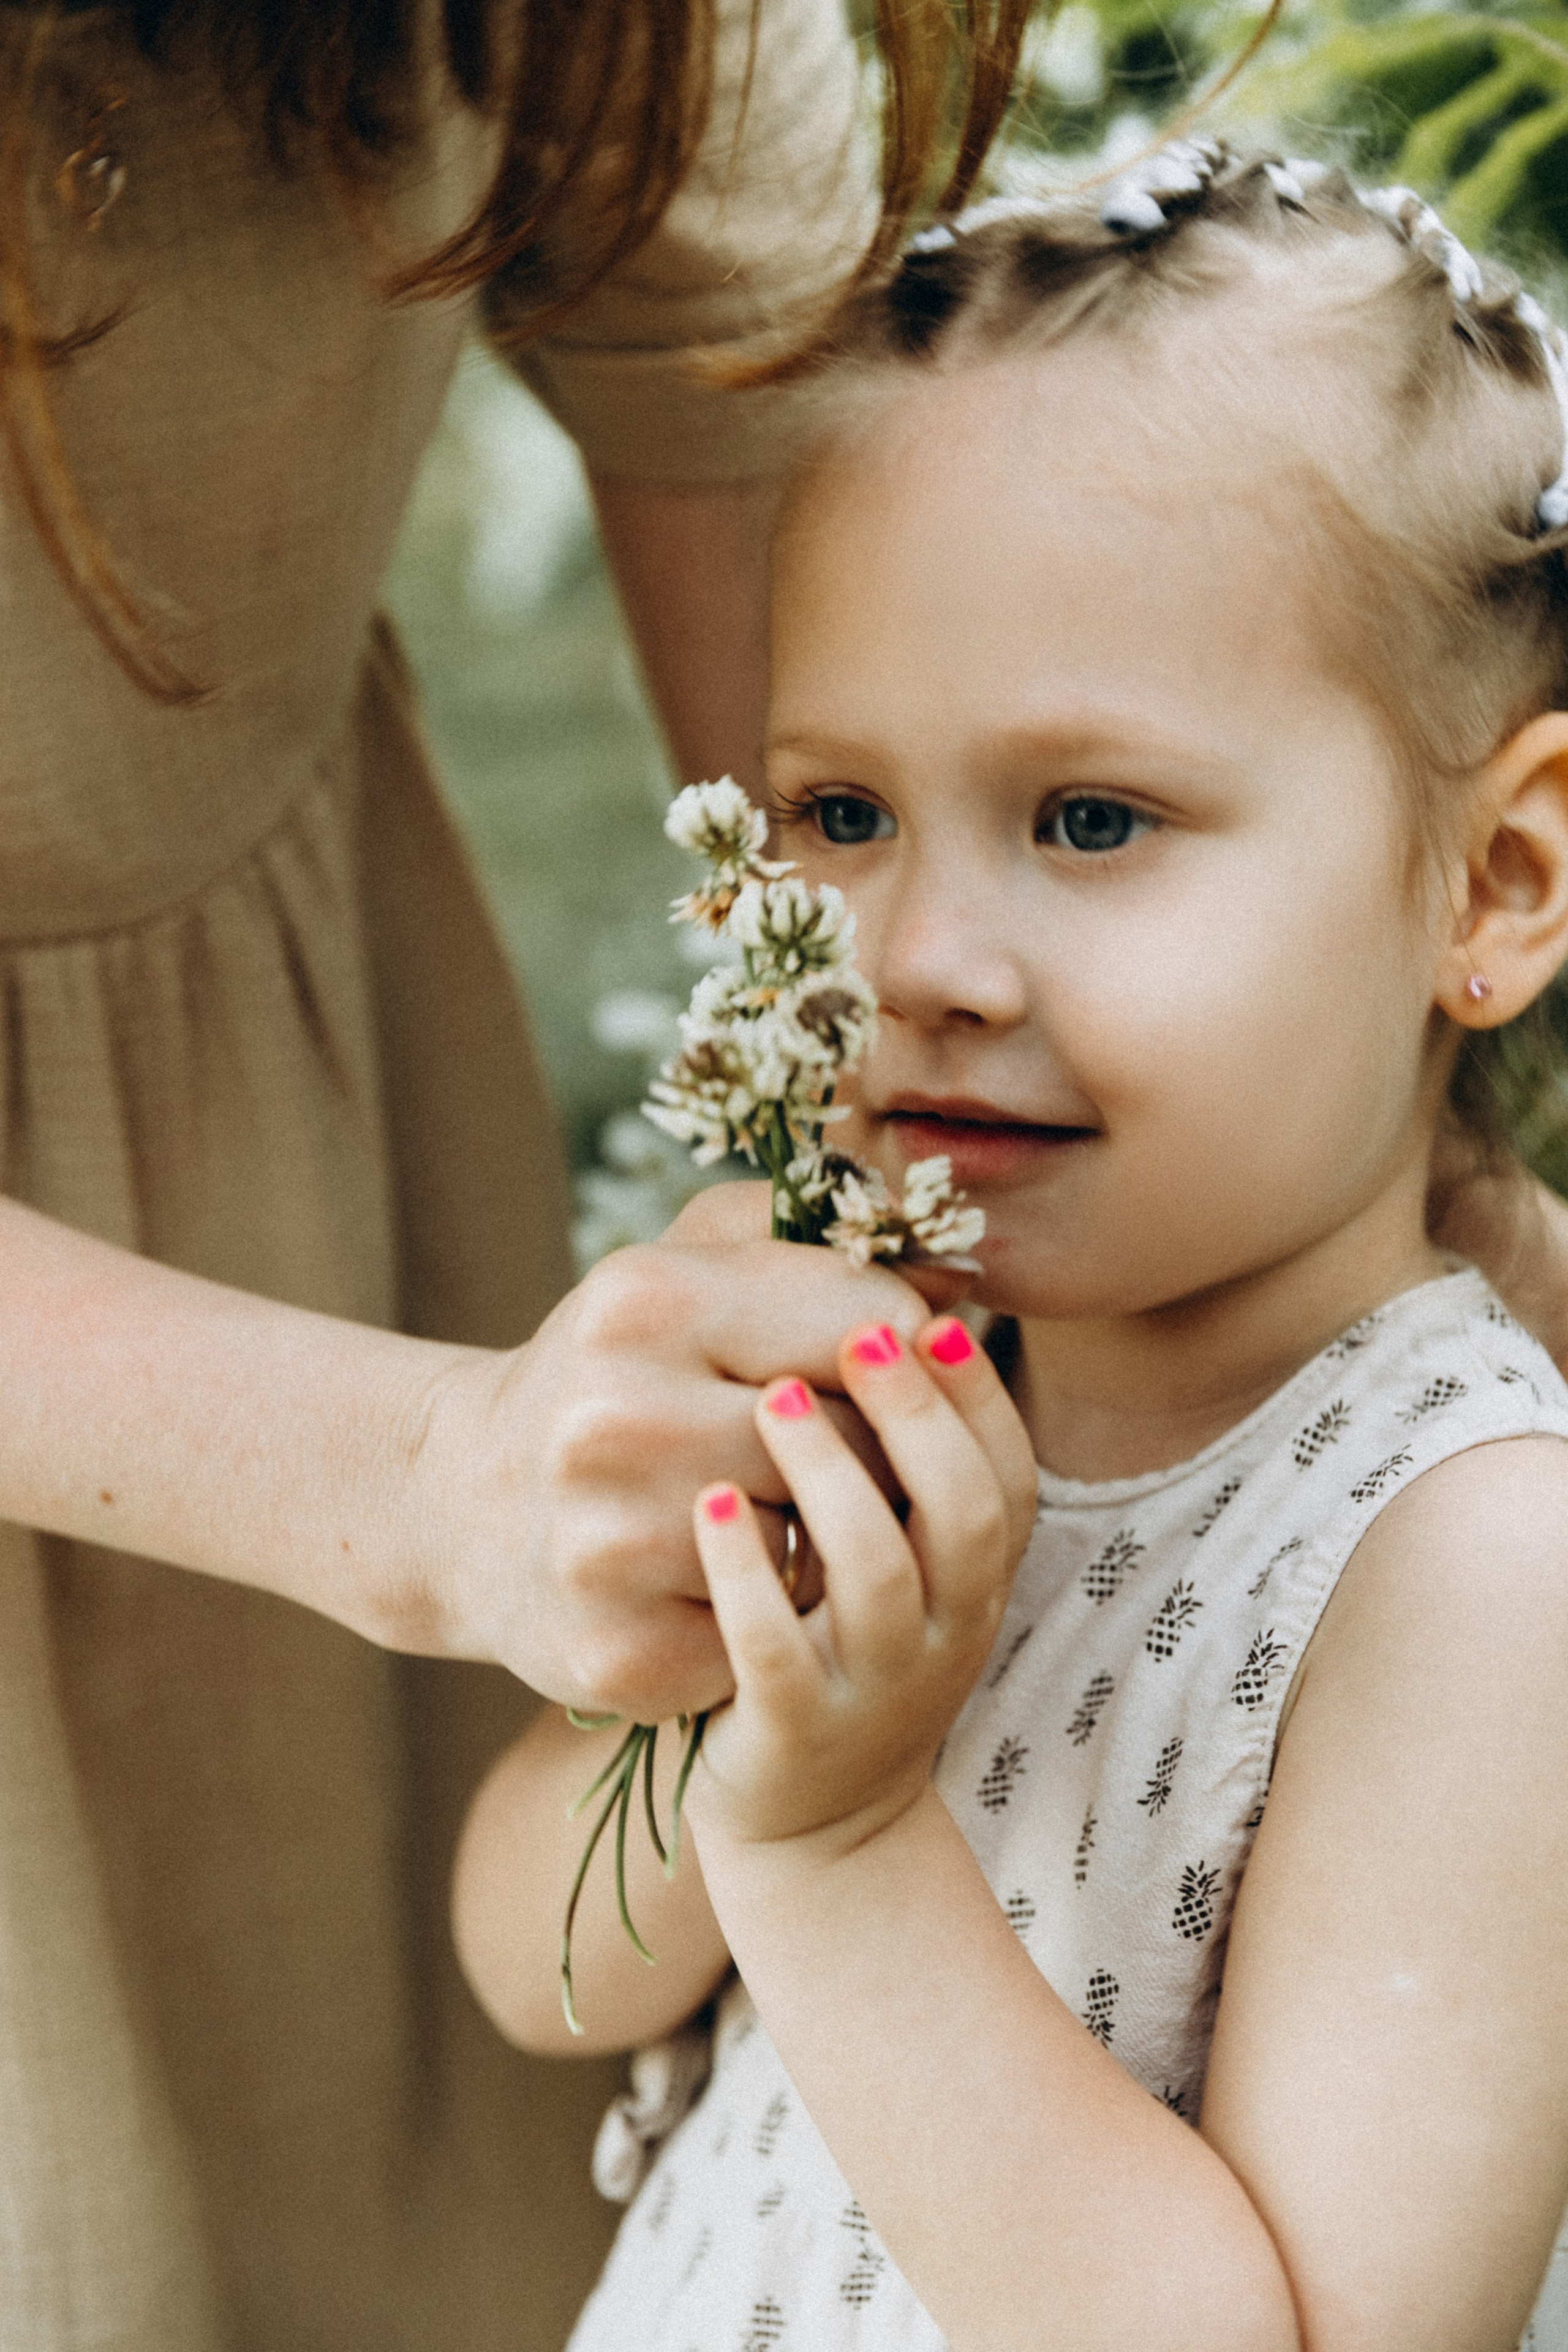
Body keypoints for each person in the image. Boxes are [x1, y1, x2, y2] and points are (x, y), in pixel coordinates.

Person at [453, 145, 1568, 2350]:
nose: (927, 956)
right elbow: (538, 1965)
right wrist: (729, 1662)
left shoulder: (1468, 1558)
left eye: (1091, 819)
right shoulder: (898, 1361)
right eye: (841, 812)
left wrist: (839, 1848)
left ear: (1495, 882)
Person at [0, 2, 1042, 2346]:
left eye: (1103, 831)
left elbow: (790, 560)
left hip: (303, 1148)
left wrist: (905, 1142)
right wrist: (420, 1478)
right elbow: (550, 1944)